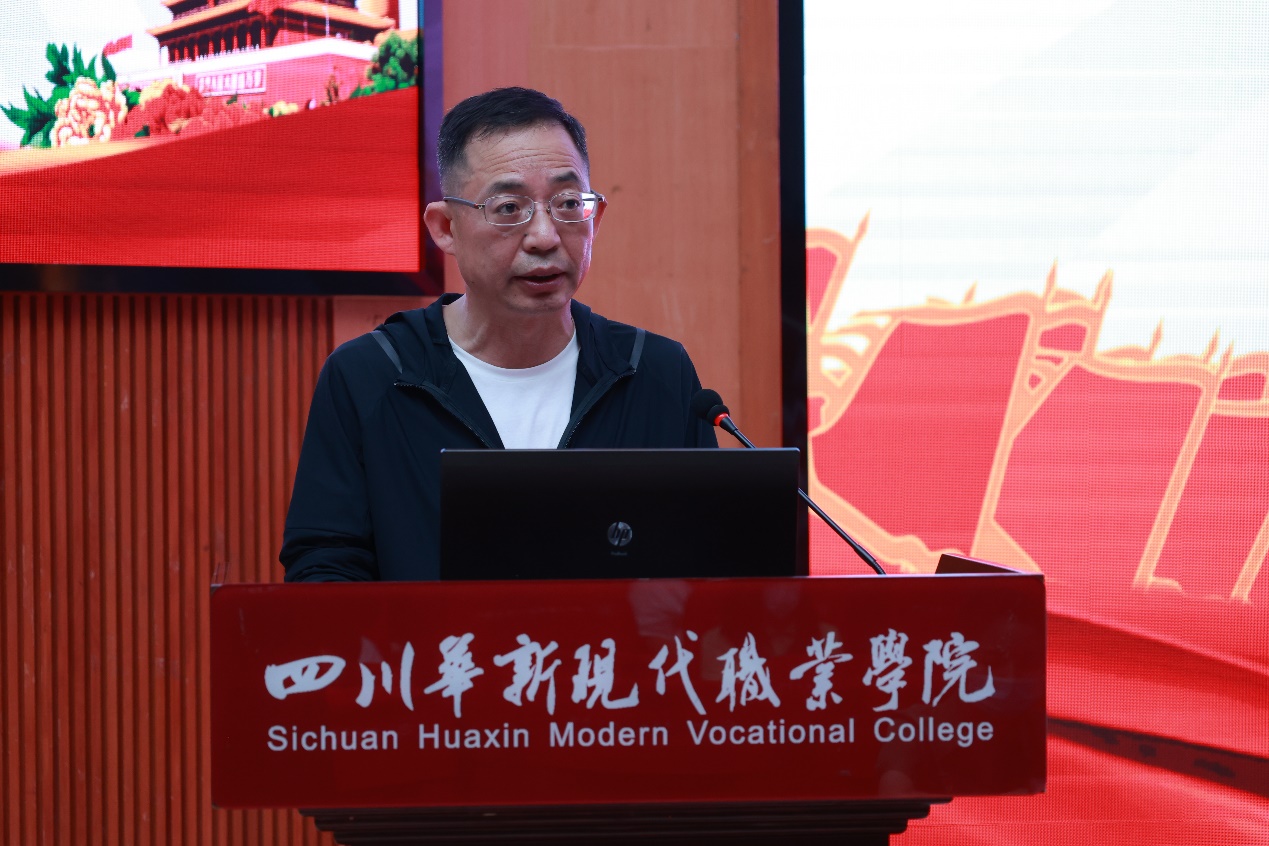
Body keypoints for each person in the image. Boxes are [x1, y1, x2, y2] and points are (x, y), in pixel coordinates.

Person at [281, 87, 718, 582]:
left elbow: (709, 564)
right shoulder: (372, 376)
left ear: (594, 218)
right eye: (509, 208)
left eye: (567, 203)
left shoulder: (655, 374)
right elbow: (324, 572)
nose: (545, 237)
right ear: (445, 228)